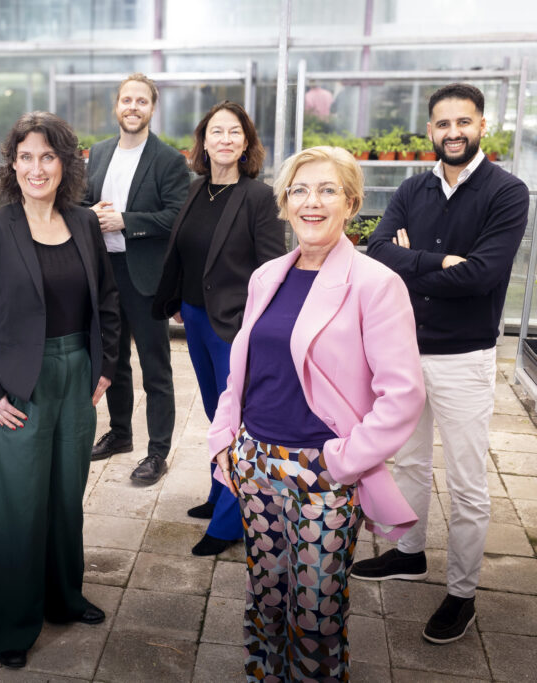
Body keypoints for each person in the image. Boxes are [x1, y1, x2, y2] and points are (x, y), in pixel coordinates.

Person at [210, 146, 425, 680]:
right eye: (300, 190)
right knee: (265, 595)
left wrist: (341, 462)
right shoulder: (267, 276)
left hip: (323, 472)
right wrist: (225, 443)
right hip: (256, 462)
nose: (312, 202)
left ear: (351, 204)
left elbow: (403, 395)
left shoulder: (376, 284)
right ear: (285, 203)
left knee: (315, 613)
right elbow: (242, 371)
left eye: (328, 190)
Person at [353, 83, 530, 643]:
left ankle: (462, 591)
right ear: (430, 129)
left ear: (482, 126)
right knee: (407, 461)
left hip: (464, 358)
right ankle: (409, 553)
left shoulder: (507, 192)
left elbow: (483, 274)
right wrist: (437, 260)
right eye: (443, 123)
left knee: (467, 481)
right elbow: (377, 251)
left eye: (464, 121)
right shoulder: (413, 187)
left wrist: (412, 262)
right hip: (405, 350)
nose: (453, 132)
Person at [0, 111, 120, 669]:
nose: (36, 168)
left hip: (77, 376)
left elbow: (107, 300)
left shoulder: (84, 223)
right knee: (18, 507)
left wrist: (106, 365)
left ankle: (64, 597)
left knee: (65, 498)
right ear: (12, 165)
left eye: (47, 156)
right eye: (25, 157)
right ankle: (13, 624)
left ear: (66, 163)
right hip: (18, 384)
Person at [152, 101, 285, 557]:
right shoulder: (196, 190)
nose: (225, 139)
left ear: (246, 143)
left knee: (237, 421)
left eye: (234, 132)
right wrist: (177, 300)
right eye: (216, 131)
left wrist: (258, 326)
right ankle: (219, 490)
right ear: (203, 142)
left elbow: (272, 267)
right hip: (194, 316)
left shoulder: (258, 197)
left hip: (234, 325)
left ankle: (230, 521)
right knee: (216, 414)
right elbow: (185, 252)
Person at [83, 72, 189, 484]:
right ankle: (121, 433)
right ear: (117, 106)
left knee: (155, 368)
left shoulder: (168, 160)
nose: (133, 107)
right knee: (113, 360)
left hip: (144, 276)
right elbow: (82, 201)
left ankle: (158, 452)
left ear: (152, 108)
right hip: (103, 272)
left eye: (141, 101)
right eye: (126, 100)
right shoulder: (99, 153)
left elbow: (176, 216)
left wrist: (126, 221)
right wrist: (89, 214)